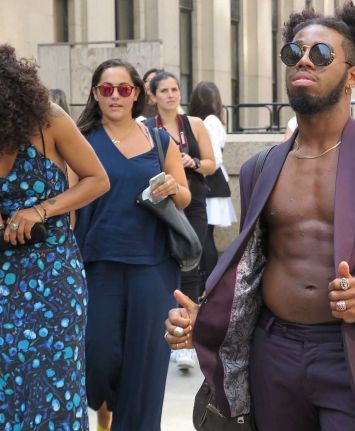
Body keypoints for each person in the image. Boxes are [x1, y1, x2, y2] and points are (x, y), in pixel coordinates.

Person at [165, 3, 355, 430]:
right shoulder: (262, 166)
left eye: (321, 54)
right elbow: (250, 270)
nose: (304, 60)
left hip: (351, 352)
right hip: (273, 353)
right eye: (294, 52)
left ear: (352, 75)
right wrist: (207, 320)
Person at [0, 45, 109, 429]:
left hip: (53, 273)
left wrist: (42, 209)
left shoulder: (49, 120)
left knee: (56, 384)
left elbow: (98, 180)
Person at [75, 59, 191, 430]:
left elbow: (185, 196)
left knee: (145, 367)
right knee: (99, 355)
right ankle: (105, 408)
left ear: (137, 94)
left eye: (123, 89)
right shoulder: (81, 140)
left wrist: (175, 188)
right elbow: (69, 203)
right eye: (106, 89)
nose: (114, 96)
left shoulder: (159, 139)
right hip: (98, 263)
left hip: (153, 265)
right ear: (95, 93)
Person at [145, 71, 216, 370]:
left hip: (194, 201)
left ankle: (185, 339)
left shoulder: (194, 124)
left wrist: (194, 163)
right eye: (164, 90)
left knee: (191, 264)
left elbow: (212, 165)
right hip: (162, 206)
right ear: (153, 96)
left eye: (175, 89)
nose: (171, 95)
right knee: (163, 263)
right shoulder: (146, 128)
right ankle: (164, 331)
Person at [187, 81, 237, 283]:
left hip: (210, 186)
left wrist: (195, 164)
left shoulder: (208, 122)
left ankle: (209, 283)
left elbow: (214, 160)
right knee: (206, 238)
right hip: (214, 186)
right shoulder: (214, 121)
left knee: (206, 239)